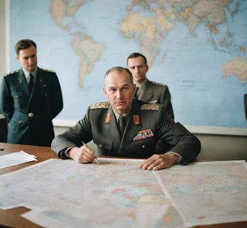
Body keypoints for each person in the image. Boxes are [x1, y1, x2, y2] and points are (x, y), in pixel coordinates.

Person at [52, 67, 200, 170]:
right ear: (105, 92)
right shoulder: (95, 114)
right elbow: (59, 140)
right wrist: (74, 152)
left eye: (125, 88)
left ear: (134, 89)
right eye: (113, 90)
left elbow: (190, 141)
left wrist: (170, 157)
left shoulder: (154, 114)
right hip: (104, 178)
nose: (119, 96)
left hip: (144, 176)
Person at [0, 39, 63, 146]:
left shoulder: (50, 77)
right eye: (26, 58)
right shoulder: (10, 79)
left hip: (43, 132)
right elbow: (4, 108)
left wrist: (43, 119)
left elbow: (58, 105)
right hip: (18, 133)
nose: (31, 61)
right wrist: (21, 120)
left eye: (33, 56)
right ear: (18, 58)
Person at [127, 52, 175, 122]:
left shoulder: (161, 90)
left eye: (140, 67)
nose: (137, 71)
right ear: (128, 70)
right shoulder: (122, 91)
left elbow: (168, 119)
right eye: (132, 67)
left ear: (146, 68)